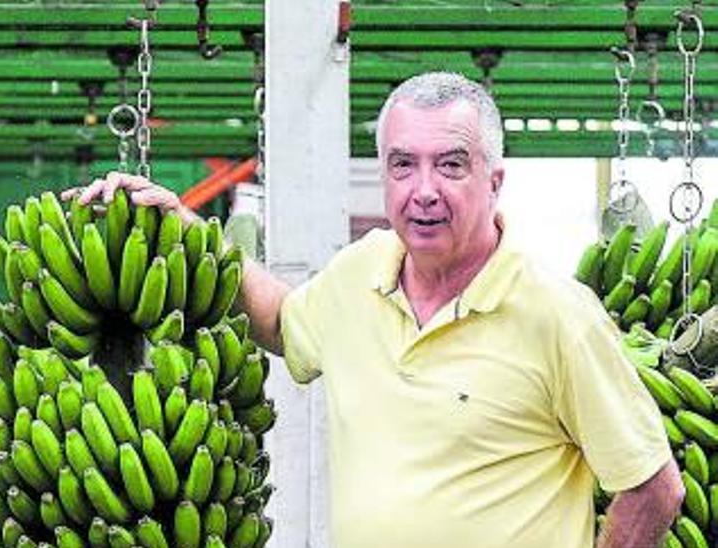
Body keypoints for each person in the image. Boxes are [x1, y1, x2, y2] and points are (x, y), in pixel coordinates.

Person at [67, 72, 682, 547]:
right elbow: (284, 324)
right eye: (402, 165)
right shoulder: (361, 272)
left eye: (450, 165)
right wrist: (185, 228)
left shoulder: (556, 314)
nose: (424, 191)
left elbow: (654, 486)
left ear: (495, 181)